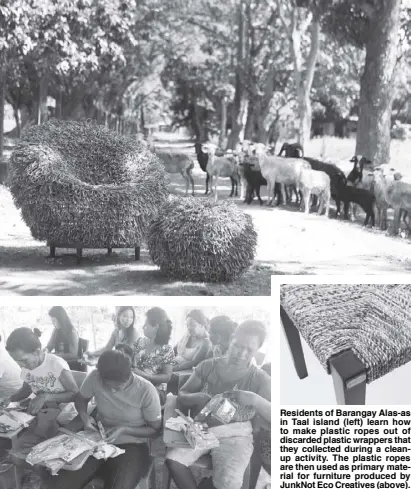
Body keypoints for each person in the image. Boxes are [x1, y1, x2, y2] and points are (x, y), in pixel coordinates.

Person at [165, 320, 271, 489]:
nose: (241, 353)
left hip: (236, 434)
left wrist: (254, 399)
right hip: (202, 426)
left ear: (257, 350)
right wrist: (199, 396)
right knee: (173, 461)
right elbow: (182, 394)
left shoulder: (259, 378)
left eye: (249, 349)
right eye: (238, 345)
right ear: (231, 339)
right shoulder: (208, 366)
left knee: (229, 482)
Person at [45, 350, 162, 489]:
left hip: (131, 444)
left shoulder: (146, 390)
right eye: (107, 386)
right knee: (60, 484)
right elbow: (81, 399)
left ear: (130, 375)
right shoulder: (94, 377)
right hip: (96, 439)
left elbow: (154, 430)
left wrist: (124, 429)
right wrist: (84, 417)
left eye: (118, 387)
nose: (112, 391)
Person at [4, 328, 78, 461]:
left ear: (37, 351)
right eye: (17, 361)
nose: (21, 365)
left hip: (65, 418)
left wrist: (45, 397)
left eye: (23, 360)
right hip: (43, 418)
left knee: (50, 456)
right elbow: (26, 390)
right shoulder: (26, 368)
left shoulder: (55, 364)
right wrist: (10, 398)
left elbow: (75, 394)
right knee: (18, 456)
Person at [132, 307, 174, 405]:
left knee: (135, 397)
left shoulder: (166, 349)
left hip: (156, 390)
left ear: (155, 327)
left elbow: (167, 376)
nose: (142, 327)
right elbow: (131, 363)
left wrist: (145, 376)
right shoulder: (139, 342)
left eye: (146, 325)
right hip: (136, 385)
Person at [46, 306, 84, 371]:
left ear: (61, 320)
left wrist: (54, 356)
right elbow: (49, 346)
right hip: (59, 362)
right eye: (52, 321)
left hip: (70, 365)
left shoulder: (72, 332)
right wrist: (46, 351)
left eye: (54, 321)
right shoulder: (56, 330)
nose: (52, 323)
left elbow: (73, 354)